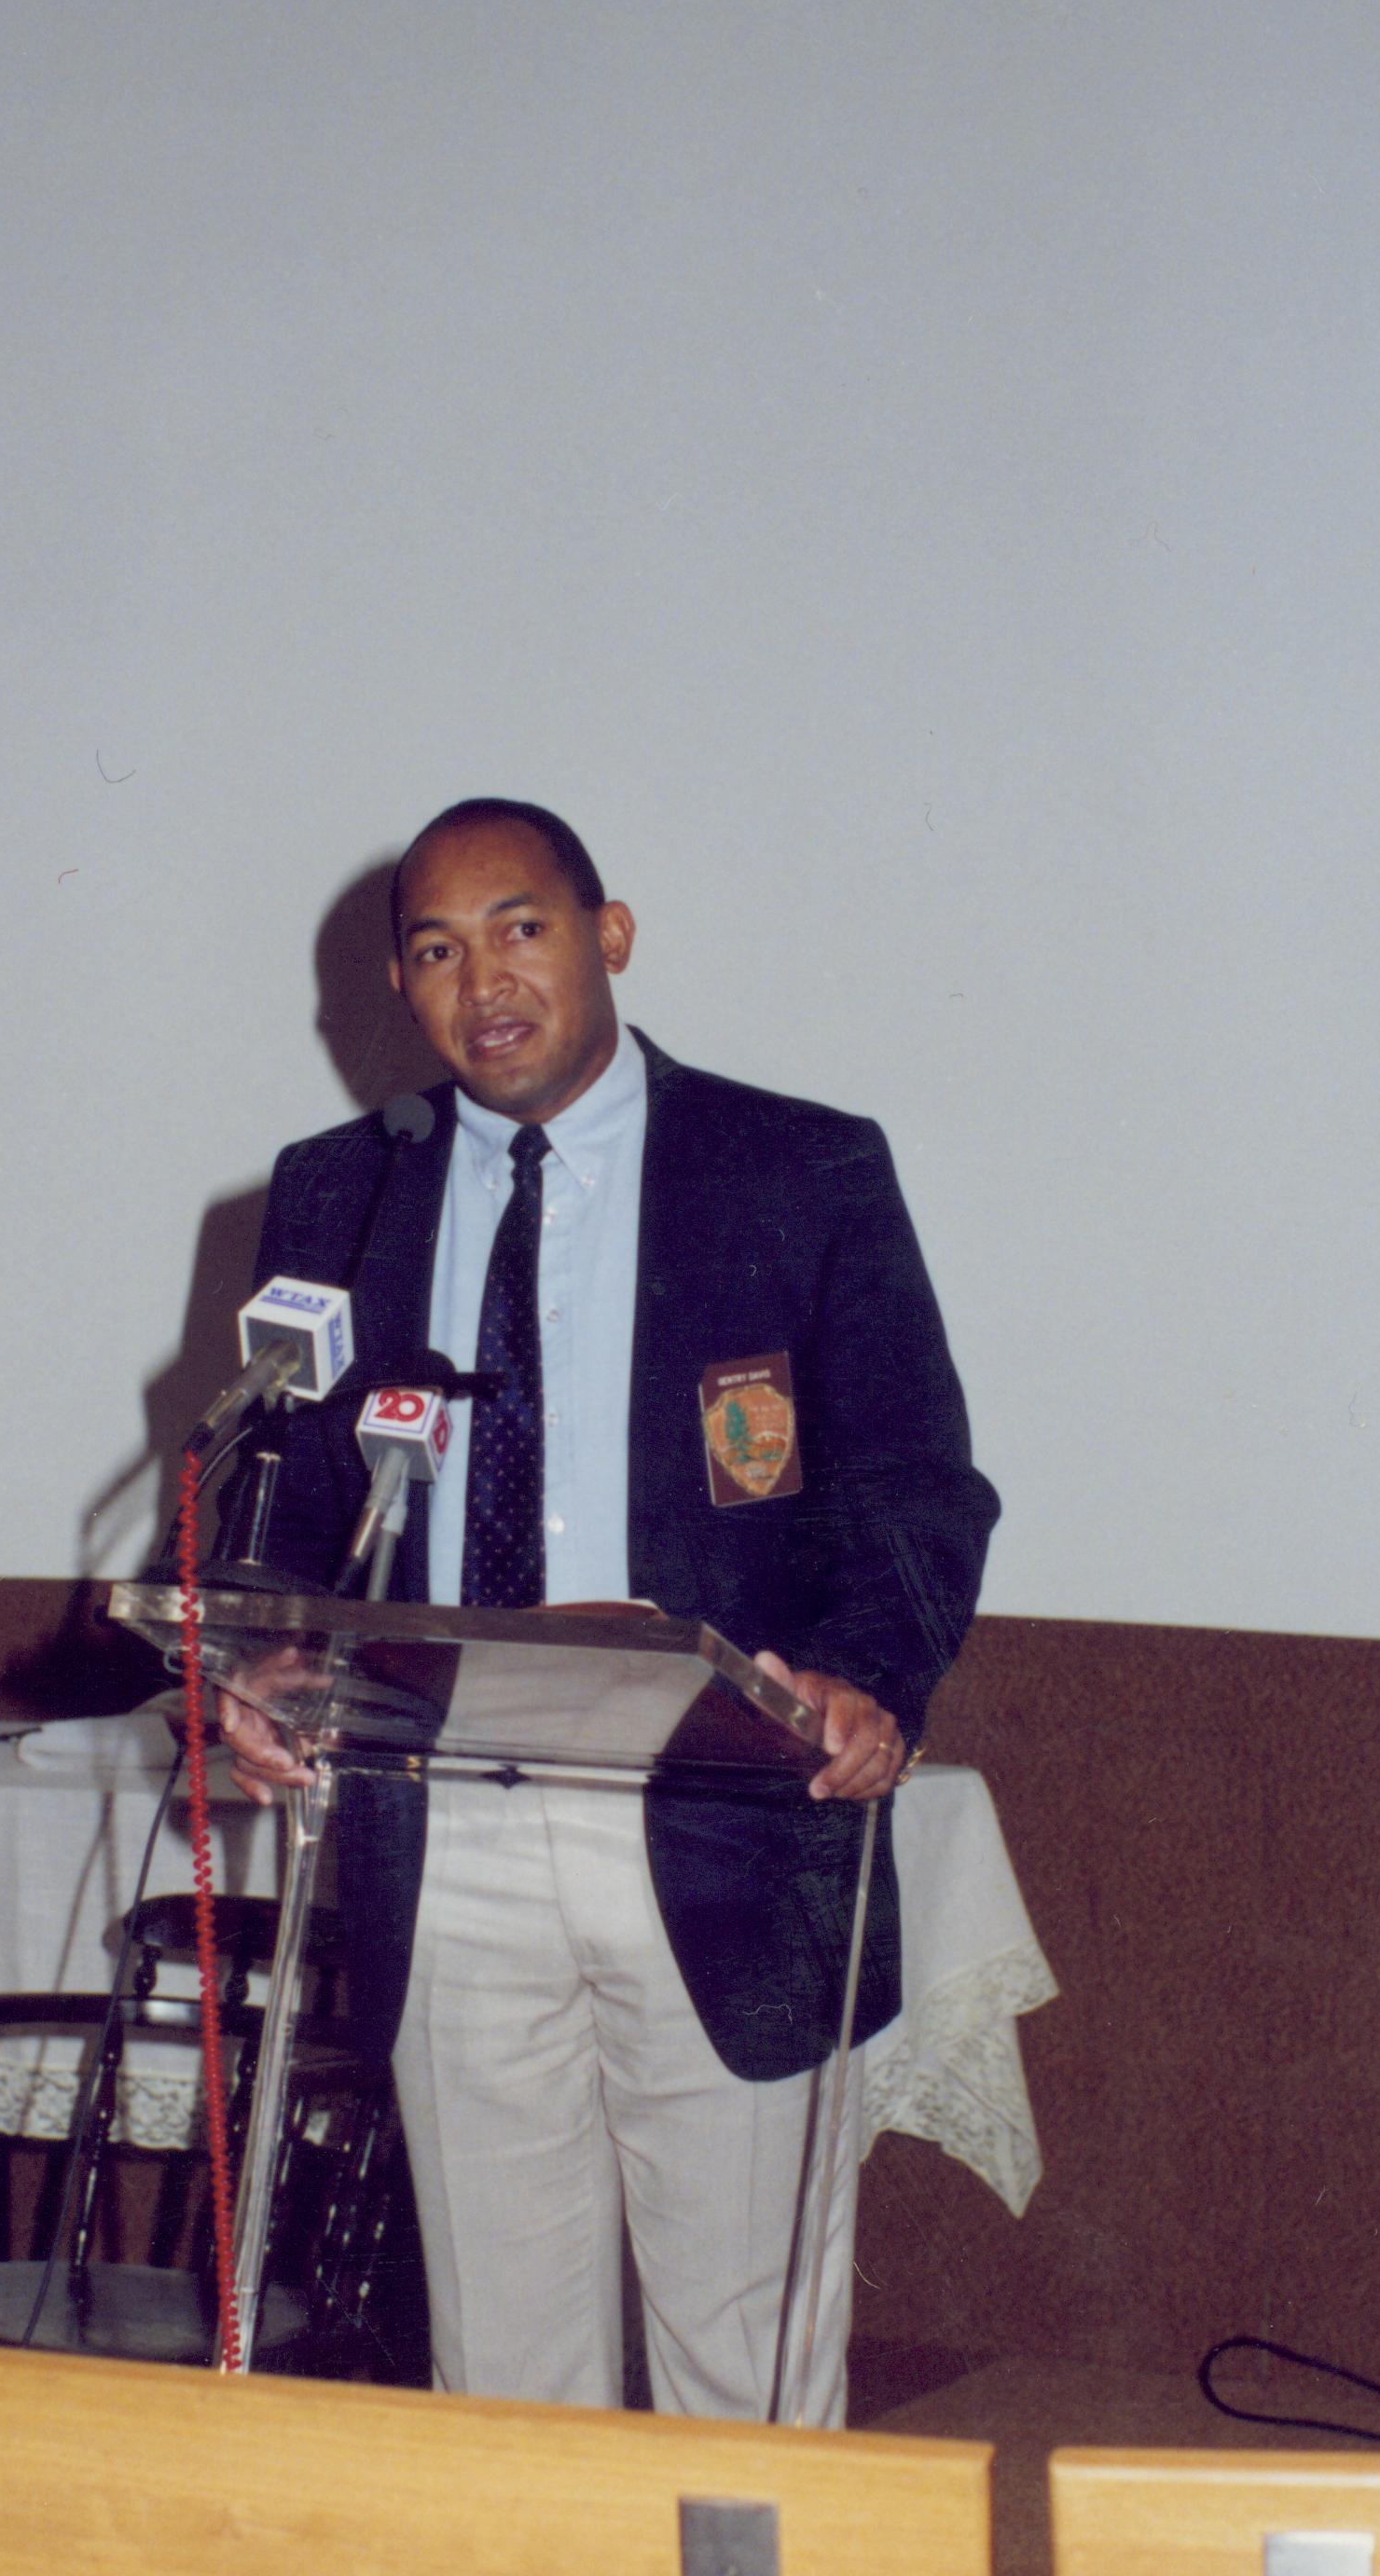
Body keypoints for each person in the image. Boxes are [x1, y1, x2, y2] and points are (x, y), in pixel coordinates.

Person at [218, 802, 997, 2422]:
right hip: (445, 1829)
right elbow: (275, 1514)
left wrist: (864, 1674)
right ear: (398, 986)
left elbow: (917, 1483)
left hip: (724, 1808)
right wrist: (254, 1658)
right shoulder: (338, 1193)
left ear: (608, 934)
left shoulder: (799, 1168)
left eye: (520, 927)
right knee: (500, 2373)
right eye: (435, 948)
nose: (482, 980)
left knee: (749, 2358)